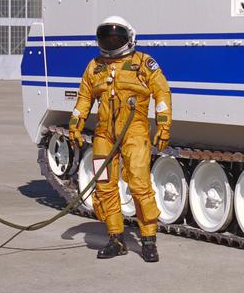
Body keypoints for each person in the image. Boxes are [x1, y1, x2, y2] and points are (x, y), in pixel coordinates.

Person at [67, 16, 171, 263]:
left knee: (138, 183)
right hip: (104, 134)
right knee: (104, 186)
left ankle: (148, 239)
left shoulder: (143, 63)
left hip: (134, 132)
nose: (112, 41)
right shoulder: (95, 66)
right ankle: (116, 239)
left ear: (129, 37)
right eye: (107, 37)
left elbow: (162, 92)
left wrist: (164, 124)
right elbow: (84, 98)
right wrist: (75, 124)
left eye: (117, 37)